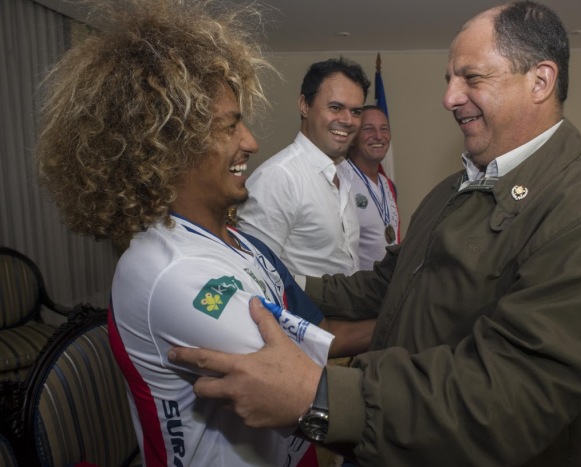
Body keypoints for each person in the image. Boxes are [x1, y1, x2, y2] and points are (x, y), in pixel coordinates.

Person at [168, 2, 581, 465]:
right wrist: (277, 285)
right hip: (392, 437)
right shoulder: (455, 189)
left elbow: (511, 394)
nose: (448, 98)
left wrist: (318, 394)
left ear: (540, 81)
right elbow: (385, 282)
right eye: (449, 79)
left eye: (472, 78)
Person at [34, 1, 371, 465]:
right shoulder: (175, 272)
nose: (251, 142)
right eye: (231, 125)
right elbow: (307, 390)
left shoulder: (236, 240)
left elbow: (309, 326)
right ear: (169, 143)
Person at [236, 58, 370, 276]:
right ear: (304, 106)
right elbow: (255, 274)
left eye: (356, 112)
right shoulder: (278, 177)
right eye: (336, 107)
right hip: (298, 311)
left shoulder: (345, 174)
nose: (348, 120)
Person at [344, 105, 400, 270]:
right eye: (368, 129)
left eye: (384, 129)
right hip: (356, 289)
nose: (378, 136)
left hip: (387, 288)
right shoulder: (340, 179)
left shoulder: (387, 184)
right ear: (353, 137)